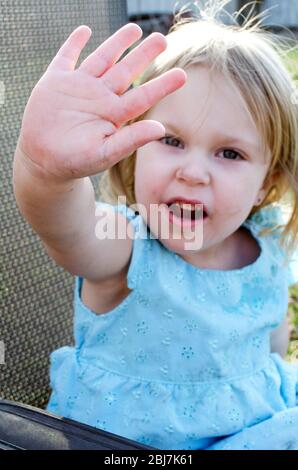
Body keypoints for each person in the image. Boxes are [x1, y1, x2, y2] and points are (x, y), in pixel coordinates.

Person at [13, 0, 298, 450]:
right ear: (134, 148)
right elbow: (67, 225)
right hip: (125, 449)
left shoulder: (267, 247)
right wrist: (46, 172)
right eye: (171, 140)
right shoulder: (126, 243)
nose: (193, 171)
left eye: (229, 153)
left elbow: (272, 342)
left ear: (268, 184)